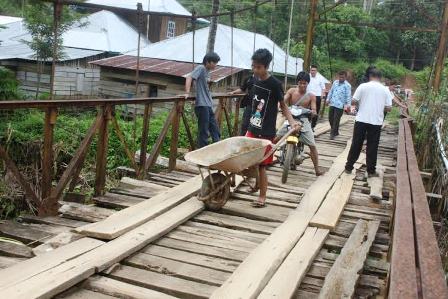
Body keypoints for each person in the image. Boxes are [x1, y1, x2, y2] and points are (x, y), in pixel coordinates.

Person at [245, 48, 299, 208]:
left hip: (266, 131)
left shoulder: (275, 84)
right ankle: (256, 185)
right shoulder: (253, 79)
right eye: (253, 66)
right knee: (249, 159)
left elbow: (283, 106)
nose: (255, 70)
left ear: (266, 66)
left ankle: (262, 196)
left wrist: (292, 121)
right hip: (252, 126)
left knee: (261, 164)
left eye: (258, 67)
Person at [345, 68, 393, 177]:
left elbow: (353, 101)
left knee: (356, 144)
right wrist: (379, 107)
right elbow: (389, 108)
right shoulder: (385, 90)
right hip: (376, 122)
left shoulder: (363, 86)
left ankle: (349, 167)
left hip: (361, 120)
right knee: (372, 146)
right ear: (380, 77)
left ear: (370, 76)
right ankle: (371, 170)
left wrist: (362, 103)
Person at [278, 71, 325, 176]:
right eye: (300, 83)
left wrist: (313, 112)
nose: (302, 85)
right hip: (290, 118)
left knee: (312, 145)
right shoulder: (291, 91)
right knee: (275, 139)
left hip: (303, 120)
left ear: (308, 83)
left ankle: (317, 169)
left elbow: (314, 109)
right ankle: (265, 162)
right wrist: (279, 106)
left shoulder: (311, 96)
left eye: (305, 83)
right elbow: (283, 100)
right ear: (297, 82)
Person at [184, 52, 221, 148]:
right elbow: (189, 77)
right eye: (214, 62)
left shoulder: (207, 71)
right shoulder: (201, 68)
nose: (216, 65)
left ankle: (218, 147)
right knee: (203, 130)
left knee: (214, 128)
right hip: (201, 105)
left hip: (208, 104)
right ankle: (202, 151)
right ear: (208, 62)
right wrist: (187, 93)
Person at [326, 71, 352, 139]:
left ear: (345, 77)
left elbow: (348, 96)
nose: (341, 78)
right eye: (340, 77)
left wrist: (348, 105)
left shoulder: (347, 85)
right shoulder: (335, 82)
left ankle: (332, 134)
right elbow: (331, 91)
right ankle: (336, 131)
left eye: (342, 77)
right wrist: (328, 99)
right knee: (330, 118)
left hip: (340, 105)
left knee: (336, 120)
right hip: (332, 103)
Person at [307, 65, 327, 129]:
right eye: (312, 70)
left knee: (316, 111)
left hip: (317, 96)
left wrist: (322, 95)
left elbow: (323, 88)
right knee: (307, 110)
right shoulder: (307, 76)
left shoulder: (320, 78)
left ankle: (313, 126)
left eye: (314, 70)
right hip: (308, 96)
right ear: (310, 70)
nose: (313, 72)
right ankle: (307, 124)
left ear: (316, 71)